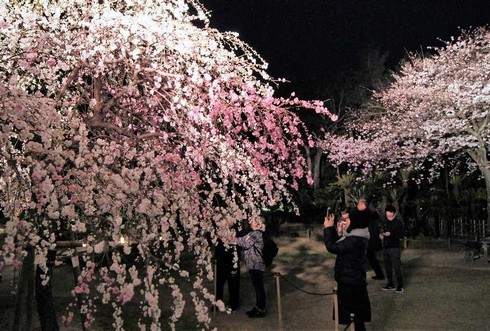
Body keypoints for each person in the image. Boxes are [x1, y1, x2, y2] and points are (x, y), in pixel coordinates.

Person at [324, 211, 372, 331]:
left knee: (354, 315)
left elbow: (332, 247)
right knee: (355, 316)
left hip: (350, 281)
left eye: (347, 220)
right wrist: (339, 230)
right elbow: (339, 243)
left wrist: (328, 228)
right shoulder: (357, 235)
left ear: (354, 222)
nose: (344, 222)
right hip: (353, 279)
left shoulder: (354, 240)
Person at [235, 216, 267, 318]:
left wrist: (232, 239)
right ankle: (258, 307)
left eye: (252, 221)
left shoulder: (256, 234)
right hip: (253, 264)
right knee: (257, 287)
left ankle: (261, 309)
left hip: (256, 264)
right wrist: (234, 239)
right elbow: (242, 239)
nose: (250, 222)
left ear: (258, 224)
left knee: (259, 288)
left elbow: (245, 243)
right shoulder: (252, 233)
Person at [350, 197, 384, 280]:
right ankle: (379, 274)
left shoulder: (366, 213)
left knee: (365, 258)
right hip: (366, 239)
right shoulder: (367, 213)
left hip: (366, 239)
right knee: (370, 258)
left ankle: (361, 276)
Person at [380, 205, 404, 293]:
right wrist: (381, 235)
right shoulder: (385, 222)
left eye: (390, 215)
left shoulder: (398, 223)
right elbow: (382, 231)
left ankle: (400, 286)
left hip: (395, 248)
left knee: (397, 267)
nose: (388, 216)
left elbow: (401, 235)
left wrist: (391, 234)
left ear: (393, 213)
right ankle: (390, 284)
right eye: (387, 215)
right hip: (386, 247)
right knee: (387, 267)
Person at [215, 240, 240, 311]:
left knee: (233, 282)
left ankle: (233, 303)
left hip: (233, 257)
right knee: (219, 282)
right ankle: (218, 302)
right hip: (220, 258)